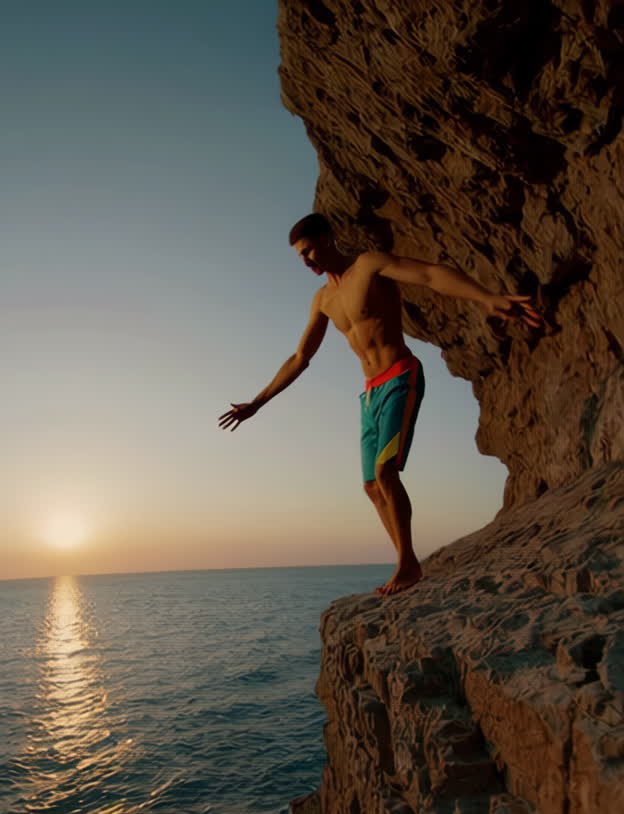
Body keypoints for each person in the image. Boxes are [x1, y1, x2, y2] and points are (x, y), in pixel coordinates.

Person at [219, 212, 542, 596]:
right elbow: (300, 357)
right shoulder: (323, 300)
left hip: (400, 376)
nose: (306, 261)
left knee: (386, 471)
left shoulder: (369, 266)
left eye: (308, 251)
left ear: (327, 238)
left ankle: (406, 564)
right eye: (300, 257)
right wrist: (258, 402)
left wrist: (485, 298)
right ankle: (408, 562)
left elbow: (429, 275)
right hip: (370, 393)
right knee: (372, 486)